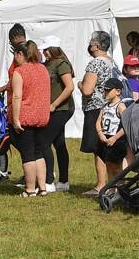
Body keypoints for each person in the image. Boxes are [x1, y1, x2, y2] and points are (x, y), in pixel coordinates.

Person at [78, 31, 119, 197]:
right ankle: (113, 183)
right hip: (111, 107)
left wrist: (80, 84)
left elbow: (88, 90)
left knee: (99, 148)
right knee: (108, 146)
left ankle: (101, 184)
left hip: (96, 108)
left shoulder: (95, 63)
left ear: (96, 45)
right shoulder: (112, 62)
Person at [10, 41, 51, 196]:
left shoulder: (19, 72)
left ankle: (29, 189)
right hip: (42, 116)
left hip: (26, 117)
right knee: (39, 152)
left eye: (15, 55)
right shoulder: (43, 69)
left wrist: (15, 119)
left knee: (28, 153)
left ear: (20, 54)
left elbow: (17, 96)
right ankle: (43, 187)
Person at [41, 41, 75, 193]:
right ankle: (63, 181)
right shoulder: (47, 64)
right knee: (59, 143)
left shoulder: (61, 64)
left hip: (62, 109)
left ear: (54, 49)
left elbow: (69, 87)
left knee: (44, 142)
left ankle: (49, 180)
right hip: (53, 109)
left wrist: (54, 104)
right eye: (44, 49)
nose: (44, 52)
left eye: (47, 49)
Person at [95, 77, 129, 183]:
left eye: (108, 90)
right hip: (106, 138)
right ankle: (110, 188)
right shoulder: (105, 106)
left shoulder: (120, 106)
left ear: (118, 91)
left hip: (117, 140)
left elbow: (127, 125)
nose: (106, 93)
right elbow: (98, 122)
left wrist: (115, 138)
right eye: (105, 90)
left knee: (117, 168)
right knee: (108, 165)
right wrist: (100, 134)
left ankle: (120, 189)